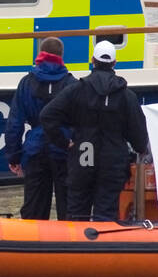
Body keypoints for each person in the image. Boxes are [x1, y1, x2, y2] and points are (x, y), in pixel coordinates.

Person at [41, 40, 149, 222]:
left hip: (83, 156)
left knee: (76, 211)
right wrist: (138, 148)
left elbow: (47, 115)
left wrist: (63, 141)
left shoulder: (76, 90)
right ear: (114, 63)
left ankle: (74, 247)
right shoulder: (127, 96)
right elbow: (139, 136)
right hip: (112, 161)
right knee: (106, 214)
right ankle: (102, 248)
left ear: (92, 60)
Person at [4, 37, 76, 220]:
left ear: (39, 55)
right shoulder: (72, 84)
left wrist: (14, 156)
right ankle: (71, 245)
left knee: (33, 209)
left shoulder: (26, 83)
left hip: (35, 151)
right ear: (62, 56)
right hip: (64, 149)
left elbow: (14, 123)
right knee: (69, 208)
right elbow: (81, 122)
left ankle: (32, 245)